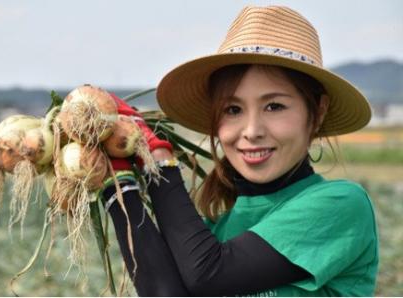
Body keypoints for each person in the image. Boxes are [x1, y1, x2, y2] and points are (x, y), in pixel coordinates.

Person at [101, 5, 379, 296]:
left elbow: (209, 274)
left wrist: (158, 160)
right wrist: (117, 185)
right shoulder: (215, 227)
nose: (251, 130)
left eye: (274, 106)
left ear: (318, 112)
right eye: (233, 109)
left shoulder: (341, 205)